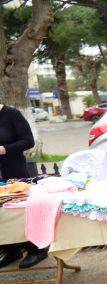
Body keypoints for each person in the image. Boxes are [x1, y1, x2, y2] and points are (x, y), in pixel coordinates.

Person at [0, 104, 49, 269]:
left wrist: (4, 149)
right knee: (2, 213)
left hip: (13, 170)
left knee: (21, 210)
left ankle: (36, 248)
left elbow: (28, 141)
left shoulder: (11, 114)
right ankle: (11, 250)